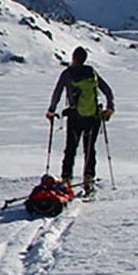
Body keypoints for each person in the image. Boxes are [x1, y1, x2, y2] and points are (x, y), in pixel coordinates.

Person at [46, 46, 114, 195]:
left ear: (73, 58)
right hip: (93, 117)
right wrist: (109, 108)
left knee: (70, 149)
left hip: (75, 117)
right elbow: (108, 91)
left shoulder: (67, 73)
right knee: (89, 150)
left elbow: (57, 93)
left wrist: (51, 111)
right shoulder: (92, 73)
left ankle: (66, 180)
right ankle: (88, 181)